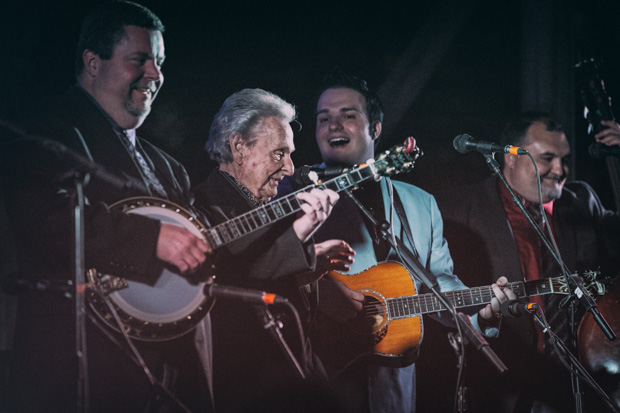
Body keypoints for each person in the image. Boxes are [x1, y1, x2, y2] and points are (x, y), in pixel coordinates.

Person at [1, 2, 214, 411]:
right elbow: (44, 218)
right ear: (92, 62)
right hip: (81, 374)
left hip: (163, 380)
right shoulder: (44, 128)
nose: (155, 73)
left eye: (160, 62)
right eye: (140, 59)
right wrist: (151, 238)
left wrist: (292, 233)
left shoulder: (170, 167)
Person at [278, 72, 514, 412]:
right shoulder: (292, 195)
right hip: (319, 375)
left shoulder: (420, 203)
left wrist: (484, 316)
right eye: (323, 118)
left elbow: (438, 284)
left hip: (395, 384)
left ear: (375, 129)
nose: (333, 126)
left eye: (347, 115)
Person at [435, 111, 620, 412]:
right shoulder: (456, 208)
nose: (560, 170)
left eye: (565, 159)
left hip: (580, 387)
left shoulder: (582, 202)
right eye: (547, 158)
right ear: (511, 158)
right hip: (504, 389)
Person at [192, 88, 348, 411]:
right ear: (238, 147)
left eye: (290, 154)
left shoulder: (274, 211)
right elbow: (238, 279)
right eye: (279, 154)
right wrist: (300, 237)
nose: (290, 168)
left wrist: (311, 263)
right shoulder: (200, 210)